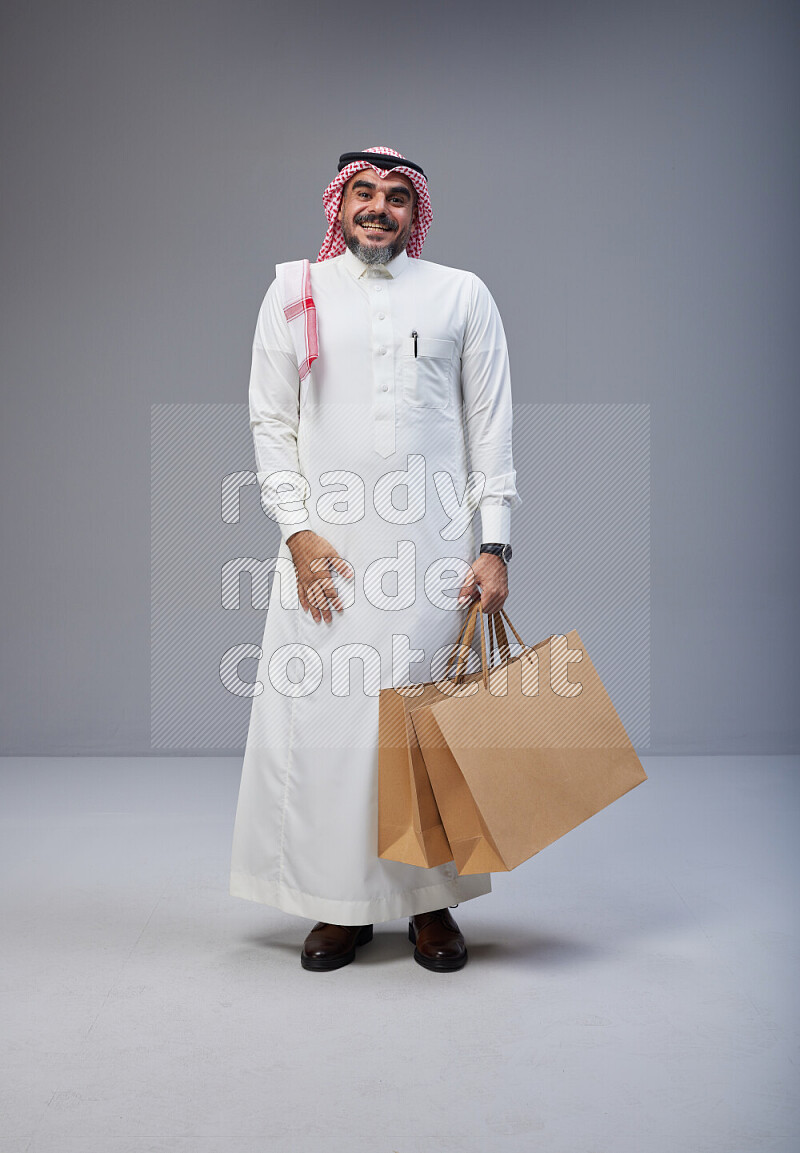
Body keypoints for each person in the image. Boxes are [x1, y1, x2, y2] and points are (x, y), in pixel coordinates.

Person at [229, 146, 521, 973]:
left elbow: (490, 427)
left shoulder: (462, 294)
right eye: (363, 193)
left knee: (424, 729)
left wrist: (493, 545)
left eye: (396, 197)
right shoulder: (296, 293)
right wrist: (296, 531)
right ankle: (340, 906)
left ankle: (431, 905)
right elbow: (270, 422)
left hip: (432, 553)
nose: (378, 209)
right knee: (332, 730)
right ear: (339, 204)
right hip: (329, 554)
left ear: (414, 211)